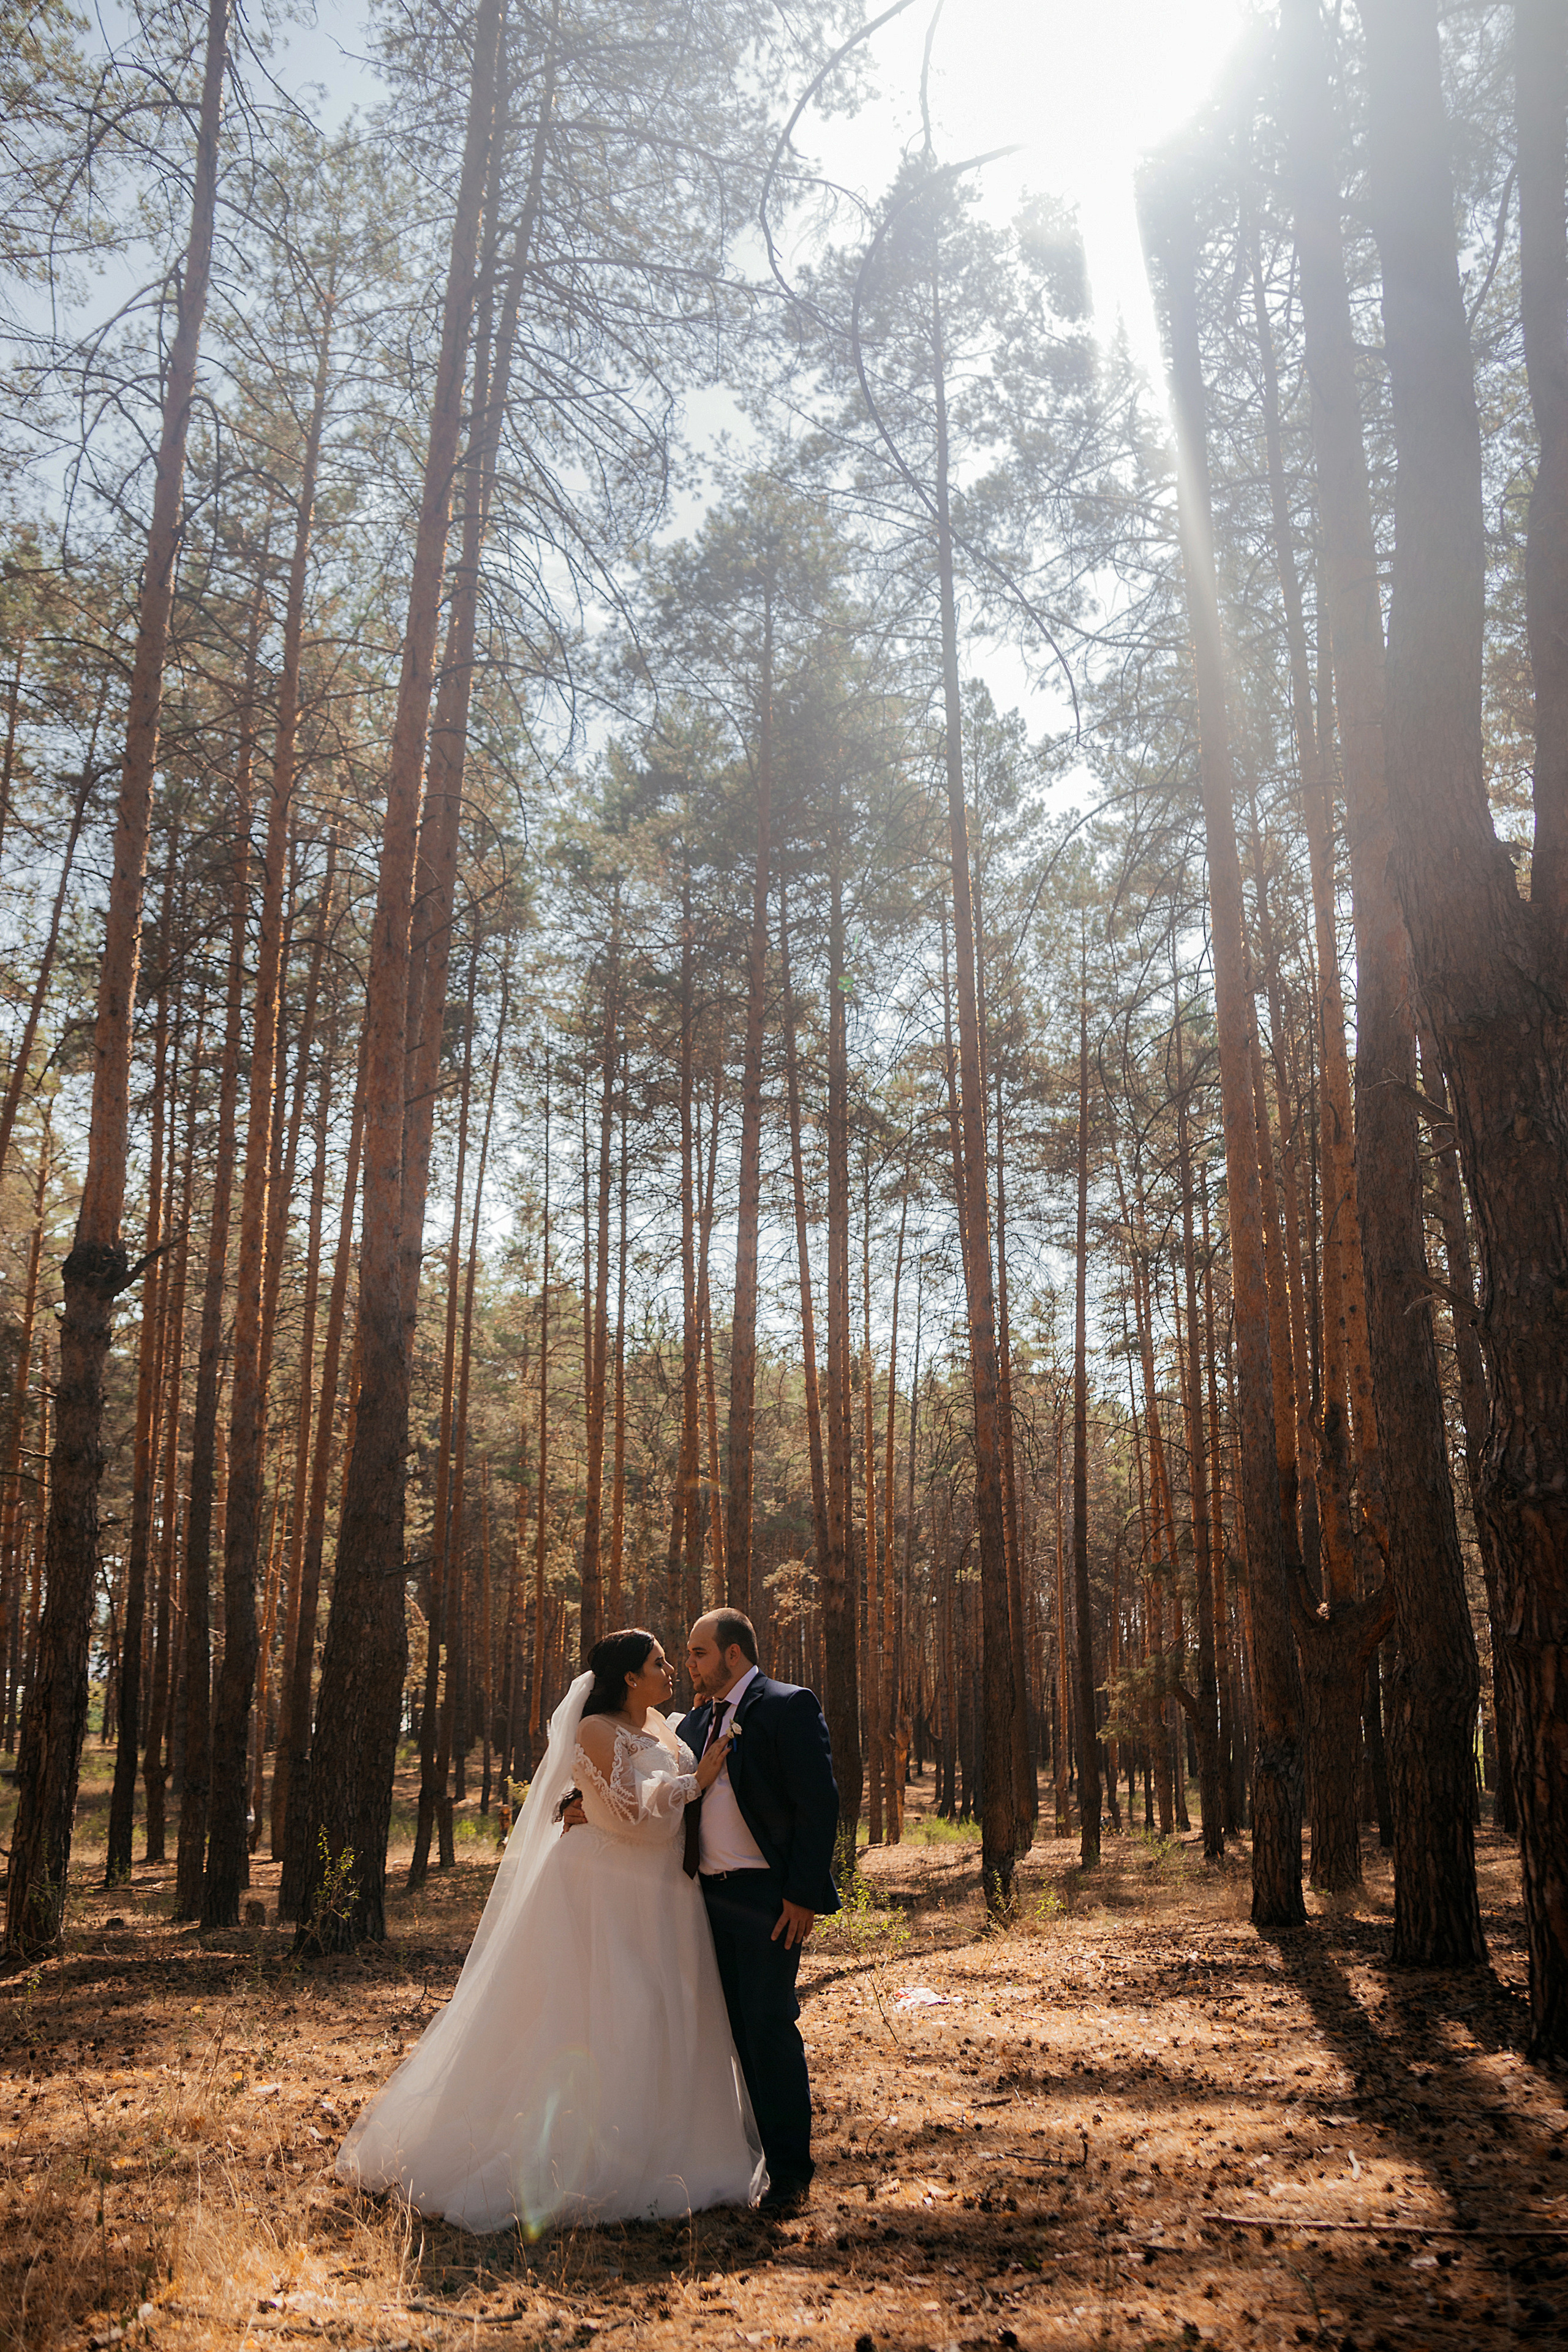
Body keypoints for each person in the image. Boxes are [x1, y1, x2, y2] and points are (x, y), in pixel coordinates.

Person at [335, 1629, 764, 2234]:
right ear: (627, 1679)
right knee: (614, 2011)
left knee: (670, 2010)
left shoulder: (669, 1728)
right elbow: (627, 1818)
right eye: (658, 1662)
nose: (671, 1669)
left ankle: (674, 2147)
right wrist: (693, 1785)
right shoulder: (596, 1730)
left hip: (667, 1892)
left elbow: (649, 1801)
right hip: (606, 1889)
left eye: (672, 1659)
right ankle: (591, 2153)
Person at [677, 1609, 840, 2218]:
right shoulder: (694, 1721)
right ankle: (743, 2161)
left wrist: (801, 1895)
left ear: (734, 1654)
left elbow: (818, 1805)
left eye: (698, 1652)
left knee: (768, 2027)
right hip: (705, 1900)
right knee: (728, 2034)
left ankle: (791, 2174)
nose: (689, 1662)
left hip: (767, 1901)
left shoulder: (787, 1705)